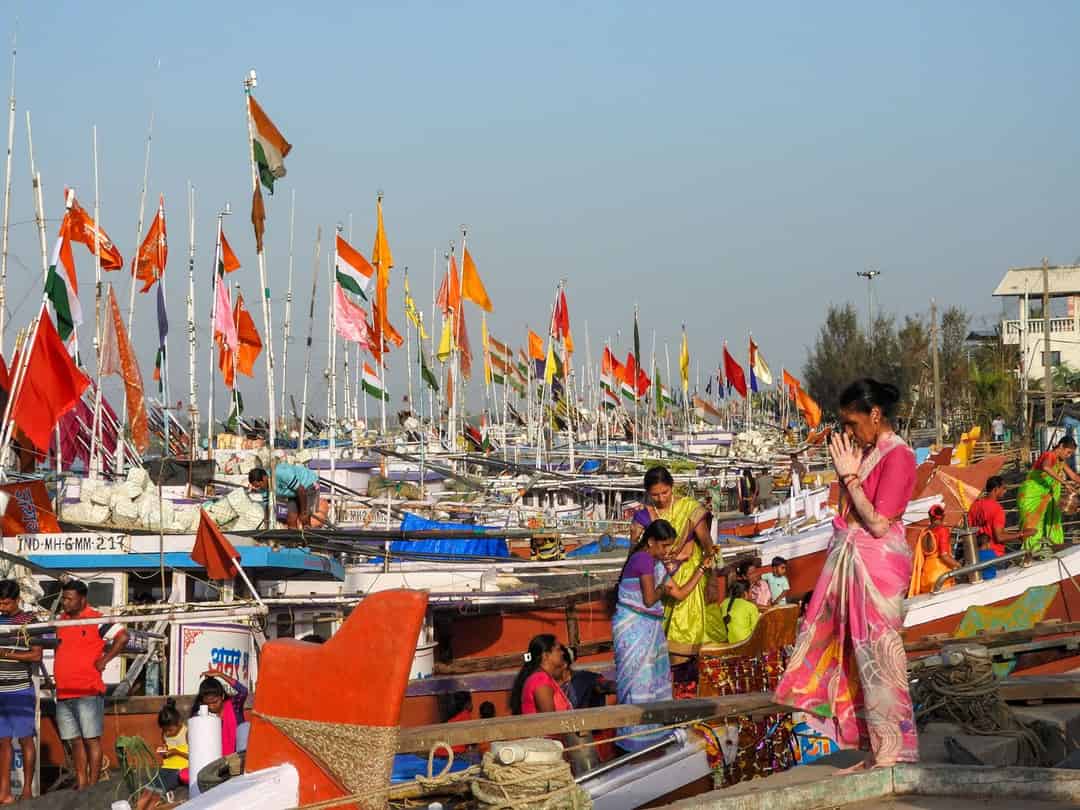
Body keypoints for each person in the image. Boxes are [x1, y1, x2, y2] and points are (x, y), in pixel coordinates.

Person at [776, 378, 919, 771]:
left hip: (877, 569)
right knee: (854, 659)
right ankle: (875, 748)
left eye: (852, 424)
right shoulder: (869, 452)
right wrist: (847, 475)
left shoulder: (899, 455)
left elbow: (878, 522)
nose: (849, 432)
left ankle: (892, 750)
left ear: (875, 415)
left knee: (880, 659)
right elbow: (850, 511)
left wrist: (850, 477)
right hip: (857, 563)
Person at [613, 519, 713, 751]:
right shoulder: (643, 559)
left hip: (650, 628)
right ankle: (635, 743)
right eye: (664, 545)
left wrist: (701, 568)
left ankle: (652, 740)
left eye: (670, 546)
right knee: (638, 685)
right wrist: (663, 585)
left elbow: (680, 593)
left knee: (652, 683)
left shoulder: (655, 564)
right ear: (651, 542)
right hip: (634, 627)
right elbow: (650, 599)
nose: (668, 551)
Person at [629, 466, 715, 664]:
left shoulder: (691, 509)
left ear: (672, 487)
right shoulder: (643, 515)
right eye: (655, 495)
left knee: (687, 633)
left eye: (665, 492)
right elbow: (635, 553)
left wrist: (711, 579)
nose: (661, 498)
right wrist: (634, 539)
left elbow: (708, 546)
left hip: (690, 577)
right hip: (659, 579)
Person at [55, 579, 128, 790]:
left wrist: (105, 660)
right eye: (64, 599)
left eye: (70, 599)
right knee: (74, 740)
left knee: (91, 739)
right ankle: (82, 783)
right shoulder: (61, 620)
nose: (65, 603)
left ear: (82, 599)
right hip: (64, 691)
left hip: (88, 690)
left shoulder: (96, 619)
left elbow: (122, 637)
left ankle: (93, 786)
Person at [0, 580, 39, 803]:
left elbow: (36, 655)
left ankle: (27, 790)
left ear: (17, 600)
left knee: (25, 739)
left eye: (6, 603)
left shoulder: (30, 621)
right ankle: (4, 792)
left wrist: (6, 654)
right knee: (3, 742)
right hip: (0, 692)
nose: (2, 607)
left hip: (20, 690)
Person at [1017, 436, 1080, 551]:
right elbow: (1046, 467)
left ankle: (1054, 548)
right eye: (1068, 452)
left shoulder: (1061, 461)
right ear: (1061, 446)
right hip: (1032, 494)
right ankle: (1031, 552)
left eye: (1071, 454)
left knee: (1053, 521)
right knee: (1034, 524)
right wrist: (1065, 483)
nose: (1069, 456)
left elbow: (1074, 476)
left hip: (1047, 497)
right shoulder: (1049, 455)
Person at [136, 699, 189, 810]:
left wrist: (176, 752)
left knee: (160, 788)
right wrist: (164, 752)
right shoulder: (164, 734)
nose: (167, 733)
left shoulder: (186, 733)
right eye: (165, 730)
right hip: (166, 767)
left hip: (181, 768)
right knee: (150, 787)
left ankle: (152, 806)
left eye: (170, 730)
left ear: (178, 723)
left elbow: (193, 756)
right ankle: (139, 807)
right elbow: (167, 750)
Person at [248, 465, 328, 529]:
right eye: (256, 487)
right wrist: (266, 523)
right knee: (291, 519)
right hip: (294, 492)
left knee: (305, 518)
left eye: (258, 485)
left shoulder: (281, 474)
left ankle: (307, 540)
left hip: (308, 485)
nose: (258, 488)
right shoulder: (262, 487)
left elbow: (301, 490)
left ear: (264, 478)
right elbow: (267, 506)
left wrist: (303, 512)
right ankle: (294, 543)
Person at [190, 670, 248, 757]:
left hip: (239, 755)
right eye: (207, 703)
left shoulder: (234, 705)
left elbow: (243, 691)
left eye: (215, 702)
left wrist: (220, 674)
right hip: (215, 758)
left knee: (245, 727)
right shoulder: (201, 715)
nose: (211, 707)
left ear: (222, 696)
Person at [509, 635, 571, 715]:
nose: (562, 653)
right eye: (558, 649)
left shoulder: (544, 677)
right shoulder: (540, 680)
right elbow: (549, 719)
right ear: (546, 655)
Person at [909, 505, 961, 596]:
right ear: (943, 516)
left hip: (925, 576)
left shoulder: (923, 532)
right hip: (940, 576)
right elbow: (944, 556)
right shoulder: (942, 530)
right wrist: (959, 566)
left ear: (929, 516)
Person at [705, 581, 760, 645]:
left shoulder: (724, 603)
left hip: (728, 644)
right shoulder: (751, 607)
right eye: (750, 591)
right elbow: (757, 631)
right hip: (744, 645)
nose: (752, 593)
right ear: (745, 593)